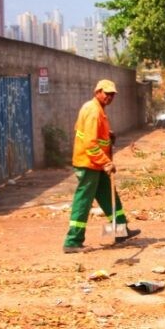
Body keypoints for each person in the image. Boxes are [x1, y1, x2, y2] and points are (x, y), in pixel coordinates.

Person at [62, 79, 140, 253]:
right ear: (97, 92)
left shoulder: (97, 109)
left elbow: (88, 133)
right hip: (89, 164)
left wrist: (108, 135)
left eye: (112, 94)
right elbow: (90, 143)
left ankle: (121, 231)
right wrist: (106, 162)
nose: (109, 97)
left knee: (109, 196)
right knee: (83, 202)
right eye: (106, 93)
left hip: (97, 164)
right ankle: (72, 241)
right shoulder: (93, 111)